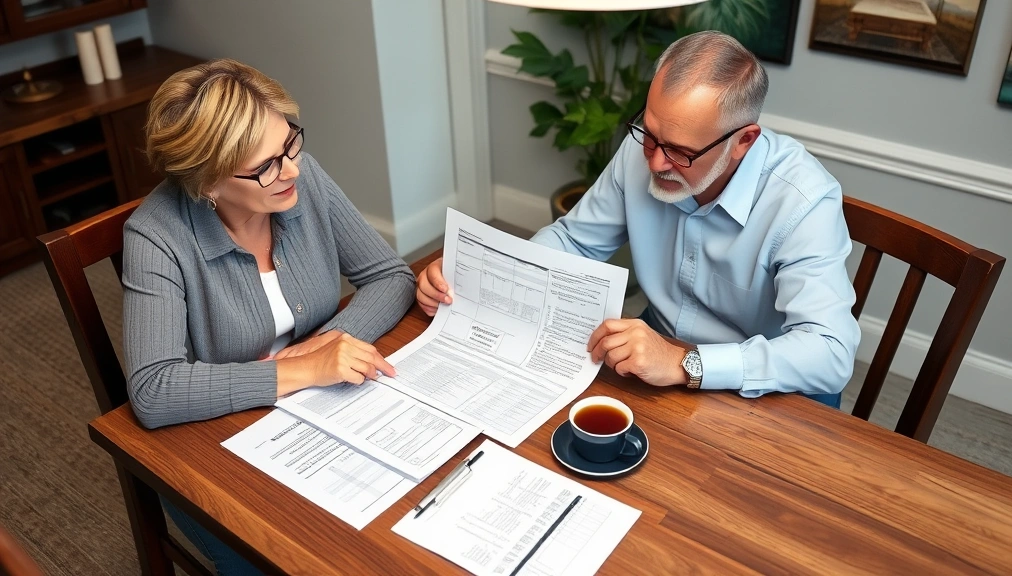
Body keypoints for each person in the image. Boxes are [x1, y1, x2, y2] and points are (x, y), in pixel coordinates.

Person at [416, 31, 860, 407]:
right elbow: (574, 242)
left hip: (769, 387)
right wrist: (481, 276)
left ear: (743, 141)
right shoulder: (644, 150)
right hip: (659, 350)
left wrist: (685, 363)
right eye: (650, 134)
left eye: (681, 152)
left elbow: (829, 352)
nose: (655, 162)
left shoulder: (804, 202)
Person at [123, 59, 415, 574]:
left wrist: (329, 341)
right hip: (211, 446)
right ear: (207, 182)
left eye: (290, 144)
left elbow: (391, 277)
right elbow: (153, 390)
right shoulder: (155, 236)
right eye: (266, 166)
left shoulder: (301, 179)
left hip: (315, 414)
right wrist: (301, 370)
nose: (292, 169)